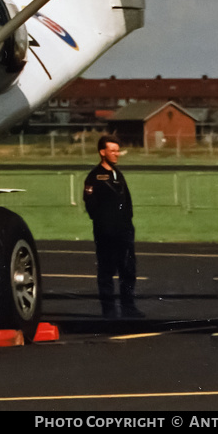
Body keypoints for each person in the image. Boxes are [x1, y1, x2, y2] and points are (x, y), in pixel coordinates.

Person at [83, 135, 143, 319]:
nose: (117, 154)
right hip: (106, 232)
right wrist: (105, 224)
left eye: (118, 151)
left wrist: (128, 224)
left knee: (128, 270)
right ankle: (108, 311)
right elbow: (90, 204)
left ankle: (128, 307)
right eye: (113, 151)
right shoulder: (94, 177)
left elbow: (127, 201)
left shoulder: (118, 174)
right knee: (106, 272)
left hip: (124, 231)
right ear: (102, 152)